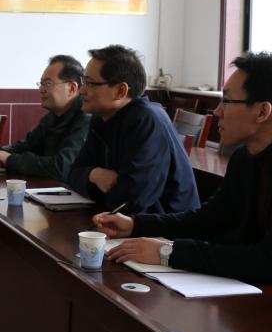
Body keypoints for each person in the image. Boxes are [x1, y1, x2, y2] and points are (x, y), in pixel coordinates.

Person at [99, 52, 272, 309]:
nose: (217, 111)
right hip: (251, 291)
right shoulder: (247, 156)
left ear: (262, 111)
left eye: (227, 101)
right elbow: (211, 219)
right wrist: (137, 225)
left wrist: (167, 252)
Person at [66, 44, 199, 214]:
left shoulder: (146, 121)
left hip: (166, 226)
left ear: (120, 91)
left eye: (90, 83)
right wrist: (94, 174)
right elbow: (73, 174)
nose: (81, 90)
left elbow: (130, 201)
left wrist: (91, 183)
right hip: (121, 219)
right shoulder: (101, 118)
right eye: (84, 81)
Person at [0, 54, 90, 180]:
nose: (41, 90)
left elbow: (61, 167)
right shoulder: (53, 116)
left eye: (48, 83)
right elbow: (28, 146)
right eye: (41, 83)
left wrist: (9, 159)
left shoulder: (86, 119)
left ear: (72, 88)